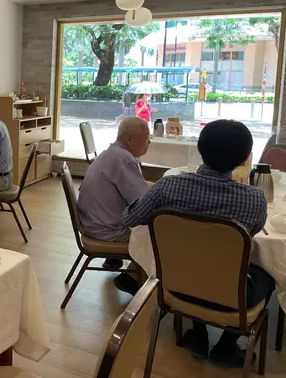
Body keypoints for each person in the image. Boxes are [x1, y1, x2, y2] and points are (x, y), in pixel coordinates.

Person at [123, 120, 273, 368]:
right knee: (268, 271)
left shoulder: (168, 186)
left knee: (192, 260)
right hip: (232, 295)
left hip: (175, 284)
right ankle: (226, 345)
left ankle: (198, 333)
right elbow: (251, 238)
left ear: (200, 149)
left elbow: (130, 219)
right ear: (245, 157)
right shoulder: (254, 200)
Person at [77, 117, 151, 287]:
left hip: (92, 223)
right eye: (146, 137)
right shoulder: (123, 159)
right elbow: (142, 202)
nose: (149, 142)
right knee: (161, 230)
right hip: (108, 230)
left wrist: (157, 186)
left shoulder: (113, 153)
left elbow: (134, 185)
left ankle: (131, 272)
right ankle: (133, 279)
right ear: (129, 139)